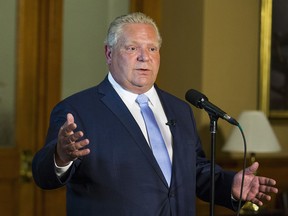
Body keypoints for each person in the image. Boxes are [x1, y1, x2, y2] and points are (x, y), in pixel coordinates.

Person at [32, 12, 278, 216]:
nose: (144, 57)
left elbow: (195, 170)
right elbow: (44, 176)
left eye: (152, 48)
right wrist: (61, 157)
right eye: (132, 48)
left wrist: (230, 185)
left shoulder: (179, 109)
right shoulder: (78, 110)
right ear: (109, 53)